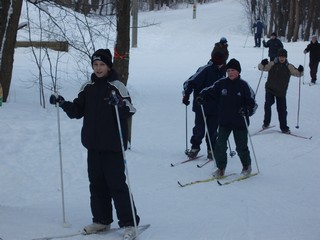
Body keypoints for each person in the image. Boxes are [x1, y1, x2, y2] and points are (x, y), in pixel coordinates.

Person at [49, 49, 140, 240]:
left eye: (102, 65)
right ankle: (101, 220)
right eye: (95, 65)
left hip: (113, 147)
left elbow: (130, 109)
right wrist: (63, 103)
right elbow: (77, 111)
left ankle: (129, 222)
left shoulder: (117, 86)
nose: (98, 68)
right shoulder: (87, 87)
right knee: (97, 185)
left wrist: (120, 104)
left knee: (117, 185)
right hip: (93, 146)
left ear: (108, 66)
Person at [196, 58, 258, 177]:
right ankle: (220, 168)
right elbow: (209, 91)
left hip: (240, 123)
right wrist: (202, 97)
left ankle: (246, 166)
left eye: (233, 70)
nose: (230, 73)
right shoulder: (221, 83)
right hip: (224, 121)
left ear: (238, 72)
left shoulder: (244, 85)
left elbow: (253, 104)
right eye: (228, 70)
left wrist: (247, 110)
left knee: (241, 147)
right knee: (220, 146)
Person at [182, 51, 226, 159]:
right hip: (201, 105)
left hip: (215, 107)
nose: (221, 64)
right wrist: (186, 95)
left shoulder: (223, 72)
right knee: (199, 129)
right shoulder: (205, 69)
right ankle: (195, 147)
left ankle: (211, 149)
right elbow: (191, 82)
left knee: (212, 130)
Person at [258, 49, 304, 134]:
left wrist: (301, 70)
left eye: (283, 57)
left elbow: (298, 73)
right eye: (280, 56)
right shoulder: (272, 63)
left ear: (286, 57)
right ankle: (266, 123)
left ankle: (284, 128)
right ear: (278, 56)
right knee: (267, 105)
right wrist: (262, 63)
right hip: (270, 89)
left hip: (281, 92)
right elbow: (261, 68)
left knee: (282, 110)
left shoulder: (289, 66)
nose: (281, 58)